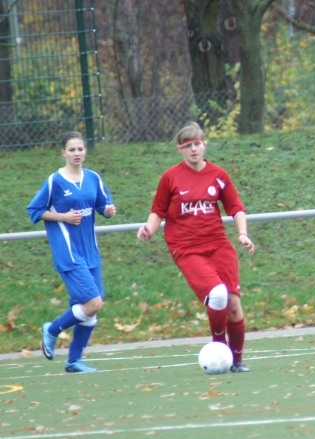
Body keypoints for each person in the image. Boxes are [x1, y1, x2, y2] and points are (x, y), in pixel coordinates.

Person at [137, 121, 255, 373]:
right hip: (187, 249)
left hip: (219, 245)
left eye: (197, 144)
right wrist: (149, 228)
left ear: (204, 145)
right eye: (188, 146)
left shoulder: (218, 175)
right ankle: (218, 347)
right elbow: (157, 211)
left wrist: (243, 233)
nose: (193, 150)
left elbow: (235, 207)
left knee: (233, 303)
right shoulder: (171, 177)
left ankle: (237, 359)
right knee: (218, 294)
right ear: (180, 149)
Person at [27, 131, 117, 373]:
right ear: (63, 152)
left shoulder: (93, 178)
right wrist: (63, 217)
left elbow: (102, 205)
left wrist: (108, 210)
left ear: (85, 151)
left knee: (90, 311)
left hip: (90, 251)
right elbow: (34, 211)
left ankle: (74, 361)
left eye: (80, 149)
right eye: (72, 150)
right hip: (69, 252)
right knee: (93, 303)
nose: (77, 153)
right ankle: (52, 329)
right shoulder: (54, 181)